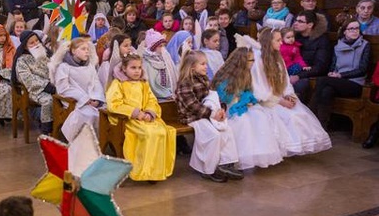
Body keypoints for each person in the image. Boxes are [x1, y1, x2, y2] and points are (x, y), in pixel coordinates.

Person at [250, 28, 331, 156]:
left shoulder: (278, 58)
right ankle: (278, 150)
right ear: (268, 41)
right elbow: (259, 88)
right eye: (277, 40)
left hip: (282, 96)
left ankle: (295, 147)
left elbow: (285, 81)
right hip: (267, 100)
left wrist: (289, 95)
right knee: (285, 118)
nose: (281, 43)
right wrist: (280, 101)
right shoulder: (258, 60)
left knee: (298, 115)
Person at [106, 54, 176, 181]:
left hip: (144, 117)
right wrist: (135, 113)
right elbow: (114, 104)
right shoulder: (118, 83)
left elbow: (151, 100)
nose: (137, 71)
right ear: (124, 69)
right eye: (133, 68)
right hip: (127, 119)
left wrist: (150, 113)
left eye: (139, 67)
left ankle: (155, 171)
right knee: (147, 133)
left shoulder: (143, 83)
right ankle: (142, 170)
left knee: (163, 131)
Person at [212, 48, 284, 170]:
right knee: (243, 121)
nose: (253, 63)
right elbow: (225, 97)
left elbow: (248, 91)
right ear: (242, 61)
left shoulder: (247, 73)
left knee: (260, 116)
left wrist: (247, 99)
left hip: (242, 105)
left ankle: (257, 154)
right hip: (228, 108)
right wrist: (242, 98)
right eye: (251, 60)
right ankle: (237, 157)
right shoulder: (226, 76)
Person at [175, 51, 241, 182]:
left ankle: (226, 163)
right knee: (213, 135)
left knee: (227, 131)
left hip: (207, 114)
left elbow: (212, 97)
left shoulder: (204, 79)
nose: (206, 67)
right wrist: (212, 114)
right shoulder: (185, 82)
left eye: (206, 64)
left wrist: (221, 108)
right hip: (193, 117)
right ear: (192, 66)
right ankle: (208, 169)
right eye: (202, 64)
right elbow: (191, 105)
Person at [309, 19, 372, 129]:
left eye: (357, 28)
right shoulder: (337, 47)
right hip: (338, 82)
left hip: (356, 83)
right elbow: (333, 66)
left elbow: (363, 69)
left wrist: (341, 75)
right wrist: (332, 73)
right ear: (344, 31)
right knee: (326, 91)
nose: (355, 31)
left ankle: (309, 117)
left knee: (322, 80)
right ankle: (321, 127)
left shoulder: (365, 45)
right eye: (351, 28)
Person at [52, 37, 105, 142]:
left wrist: (97, 99)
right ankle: (81, 143)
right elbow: (64, 88)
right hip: (73, 101)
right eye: (83, 49)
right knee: (88, 115)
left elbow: (96, 83)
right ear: (73, 51)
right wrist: (84, 99)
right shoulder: (64, 67)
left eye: (88, 49)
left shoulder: (89, 66)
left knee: (105, 114)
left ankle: (97, 143)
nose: (87, 52)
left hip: (91, 99)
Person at [13, 30, 55, 135]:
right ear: (25, 46)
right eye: (31, 43)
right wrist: (45, 85)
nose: (36, 44)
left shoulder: (45, 54)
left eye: (37, 41)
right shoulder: (22, 60)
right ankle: (46, 130)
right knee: (48, 100)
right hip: (34, 90)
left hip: (52, 85)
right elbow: (27, 78)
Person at [291, 10, 332, 101]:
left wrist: (299, 76)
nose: (295, 23)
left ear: (310, 25)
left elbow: (321, 67)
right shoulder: (293, 37)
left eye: (300, 21)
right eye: (296, 20)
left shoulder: (322, 40)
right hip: (293, 71)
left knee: (300, 85)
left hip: (309, 76)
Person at [141, 30, 179, 101]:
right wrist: (166, 94)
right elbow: (152, 84)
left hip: (168, 94)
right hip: (155, 98)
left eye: (164, 46)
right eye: (160, 46)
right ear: (152, 47)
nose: (163, 48)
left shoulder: (164, 58)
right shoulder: (147, 63)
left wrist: (171, 91)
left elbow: (171, 76)